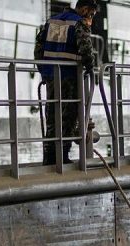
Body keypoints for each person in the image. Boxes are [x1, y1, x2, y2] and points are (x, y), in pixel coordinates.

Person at [34, 0, 99, 165]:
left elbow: (38, 49)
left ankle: (49, 158)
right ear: (84, 9)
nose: (91, 18)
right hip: (70, 77)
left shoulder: (51, 21)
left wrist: (44, 70)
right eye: (91, 14)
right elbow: (86, 49)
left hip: (51, 76)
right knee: (68, 117)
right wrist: (91, 68)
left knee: (52, 116)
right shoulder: (79, 23)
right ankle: (62, 156)